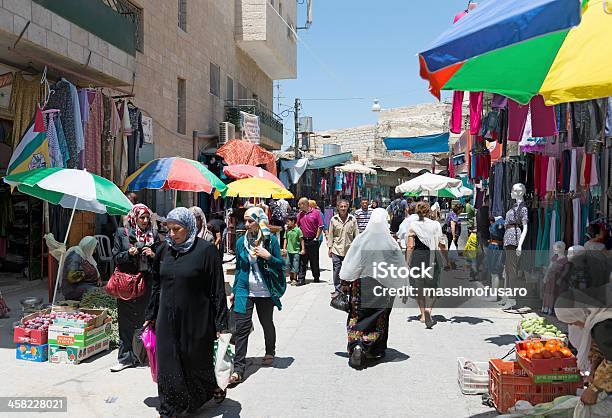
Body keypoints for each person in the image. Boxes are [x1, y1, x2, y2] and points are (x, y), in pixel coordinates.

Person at [144, 207, 228, 416]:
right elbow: (156, 284)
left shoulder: (206, 251)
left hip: (196, 318)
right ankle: (170, 408)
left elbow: (217, 290)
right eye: (168, 229)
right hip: (166, 317)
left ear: (189, 227)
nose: (172, 234)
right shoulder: (164, 250)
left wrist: (221, 324)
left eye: (177, 229)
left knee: (194, 360)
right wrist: (151, 314)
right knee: (168, 362)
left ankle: (200, 395)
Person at [339, 208, 406, 369]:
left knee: (357, 314)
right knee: (379, 318)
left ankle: (357, 345)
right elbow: (398, 264)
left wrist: (344, 281)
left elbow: (351, 262)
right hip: (383, 286)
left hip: (360, 284)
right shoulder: (391, 242)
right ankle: (375, 349)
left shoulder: (361, 239)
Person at [229, 207, 286, 385]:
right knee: (241, 328)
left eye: (250, 221)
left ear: (259, 220)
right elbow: (240, 268)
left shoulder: (270, 241)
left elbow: (281, 265)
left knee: (266, 322)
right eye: (244, 221)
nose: (246, 224)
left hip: (265, 291)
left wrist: (268, 256)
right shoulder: (240, 243)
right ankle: (238, 369)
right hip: (244, 290)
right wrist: (234, 289)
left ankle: (270, 350)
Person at [111, 204, 160, 372]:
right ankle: (125, 358)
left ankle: (144, 355)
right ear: (134, 218)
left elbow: (162, 258)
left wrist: (152, 255)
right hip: (127, 283)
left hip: (147, 283)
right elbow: (116, 257)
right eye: (142, 218)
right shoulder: (122, 234)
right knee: (125, 321)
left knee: (145, 320)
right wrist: (129, 254)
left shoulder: (154, 235)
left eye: (147, 218)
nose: (145, 221)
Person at [554, 292, 612, 414]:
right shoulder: (599, 318)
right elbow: (604, 349)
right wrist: (594, 367)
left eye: (572, 321)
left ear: (578, 313)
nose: (573, 325)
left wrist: (594, 389)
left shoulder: (603, 326)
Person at [406, 202, 450, 329]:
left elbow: (410, 245)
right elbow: (441, 244)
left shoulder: (413, 225)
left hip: (418, 257)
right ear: (429, 211)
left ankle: (422, 315)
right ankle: (429, 310)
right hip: (433, 257)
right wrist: (447, 259)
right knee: (432, 285)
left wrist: (407, 262)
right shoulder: (435, 225)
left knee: (419, 286)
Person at [327, 199, 359, 297]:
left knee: (349, 270)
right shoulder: (334, 219)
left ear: (347, 207)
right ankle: (337, 289)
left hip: (349, 250)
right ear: (338, 207)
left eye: (345, 206)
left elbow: (356, 234)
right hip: (337, 249)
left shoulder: (352, 219)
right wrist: (330, 248)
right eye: (341, 207)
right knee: (337, 270)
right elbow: (331, 234)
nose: (343, 208)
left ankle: (347, 289)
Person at [61, 236, 101, 301]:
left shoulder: (85, 255)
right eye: (93, 249)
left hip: (82, 284)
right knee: (97, 292)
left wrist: (98, 277)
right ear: (88, 247)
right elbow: (71, 277)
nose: (94, 251)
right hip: (72, 289)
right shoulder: (74, 256)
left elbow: (94, 267)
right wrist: (85, 273)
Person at [296, 197, 323, 286]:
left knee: (314, 260)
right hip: (303, 240)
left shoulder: (316, 213)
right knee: (302, 260)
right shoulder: (300, 214)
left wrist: (316, 238)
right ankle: (301, 278)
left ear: (305, 204)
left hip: (313, 240)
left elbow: (320, 226)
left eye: (300, 204)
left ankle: (316, 276)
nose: (298, 206)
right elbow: (297, 225)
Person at [282, 215, 305, 286]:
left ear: (293, 222)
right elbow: (285, 239)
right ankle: (291, 278)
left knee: (295, 265)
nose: (287, 223)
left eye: (288, 221)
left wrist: (303, 249)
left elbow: (301, 240)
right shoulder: (287, 230)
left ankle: (294, 279)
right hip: (289, 251)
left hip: (296, 251)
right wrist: (284, 248)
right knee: (287, 264)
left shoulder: (298, 230)